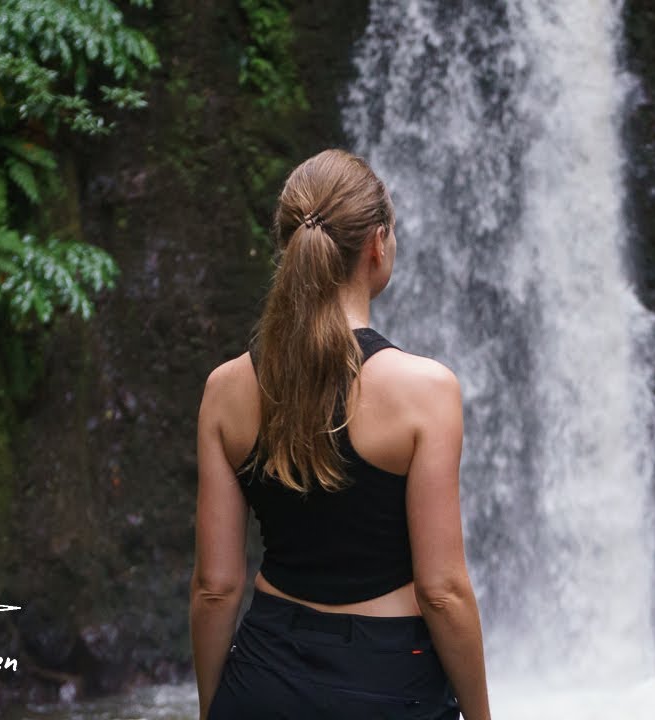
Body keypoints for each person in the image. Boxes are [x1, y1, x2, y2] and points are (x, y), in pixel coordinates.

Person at [190, 148, 492, 720]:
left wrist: (216, 708)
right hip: (386, 682)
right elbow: (442, 589)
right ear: (378, 244)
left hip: (263, 674)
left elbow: (215, 586)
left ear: (289, 247)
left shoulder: (225, 389)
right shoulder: (425, 390)